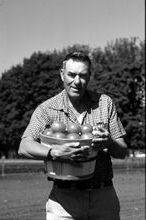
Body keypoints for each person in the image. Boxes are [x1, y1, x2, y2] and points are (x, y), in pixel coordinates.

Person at [18, 51, 128, 220]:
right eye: (71, 75)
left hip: (103, 197)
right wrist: (54, 153)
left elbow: (122, 151)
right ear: (62, 75)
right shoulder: (47, 109)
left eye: (83, 75)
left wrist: (109, 142)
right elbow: (24, 146)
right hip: (63, 201)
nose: (77, 81)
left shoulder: (105, 103)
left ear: (90, 76)